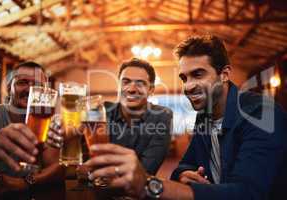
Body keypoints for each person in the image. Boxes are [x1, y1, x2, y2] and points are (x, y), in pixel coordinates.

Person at [79, 35, 287, 200]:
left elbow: (247, 194)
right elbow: (183, 166)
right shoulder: (205, 116)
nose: (188, 86)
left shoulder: (261, 113)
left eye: (198, 74)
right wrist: (183, 175)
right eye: (184, 78)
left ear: (224, 74)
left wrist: (150, 185)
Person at [49, 58, 172, 175]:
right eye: (126, 82)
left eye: (140, 84)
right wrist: (59, 127)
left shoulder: (162, 116)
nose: (131, 89)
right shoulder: (100, 111)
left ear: (151, 90)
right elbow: (72, 133)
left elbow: (146, 171)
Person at [0, 62, 64, 196]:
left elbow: (55, 167)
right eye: (22, 82)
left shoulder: (46, 122)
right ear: (9, 87)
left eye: (37, 86)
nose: (30, 90)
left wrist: (26, 182)